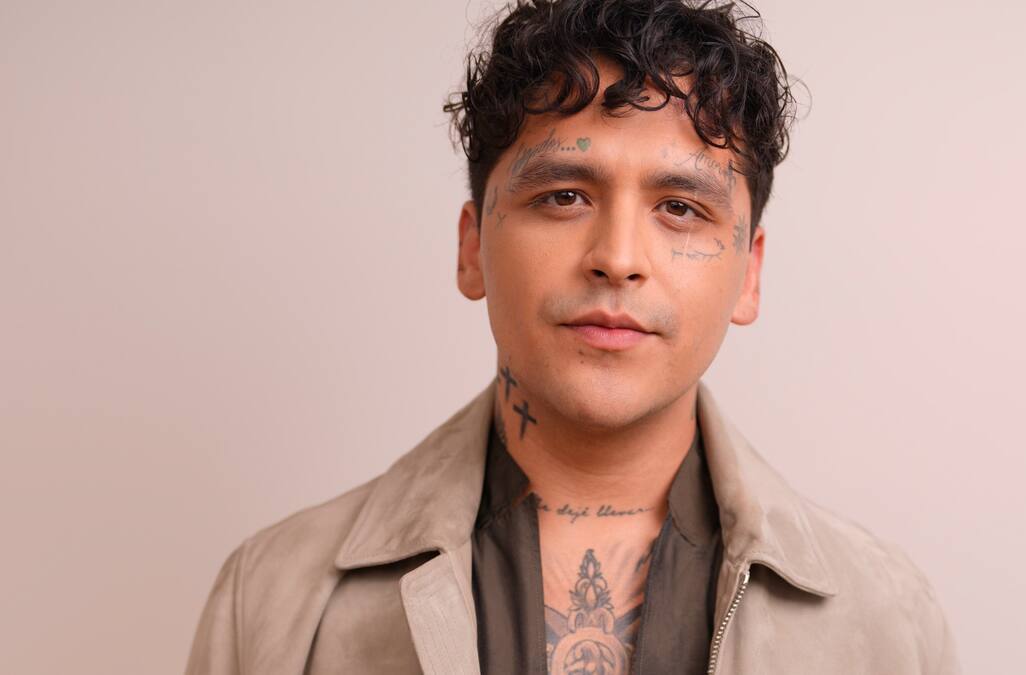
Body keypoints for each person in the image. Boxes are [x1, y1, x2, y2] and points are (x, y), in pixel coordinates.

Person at [185, 1, 961, 673]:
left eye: (680, 208)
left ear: (748, 274)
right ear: (471, 248)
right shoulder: (271, 598)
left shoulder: (885, 619)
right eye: (563, 195)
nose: (617, 258)